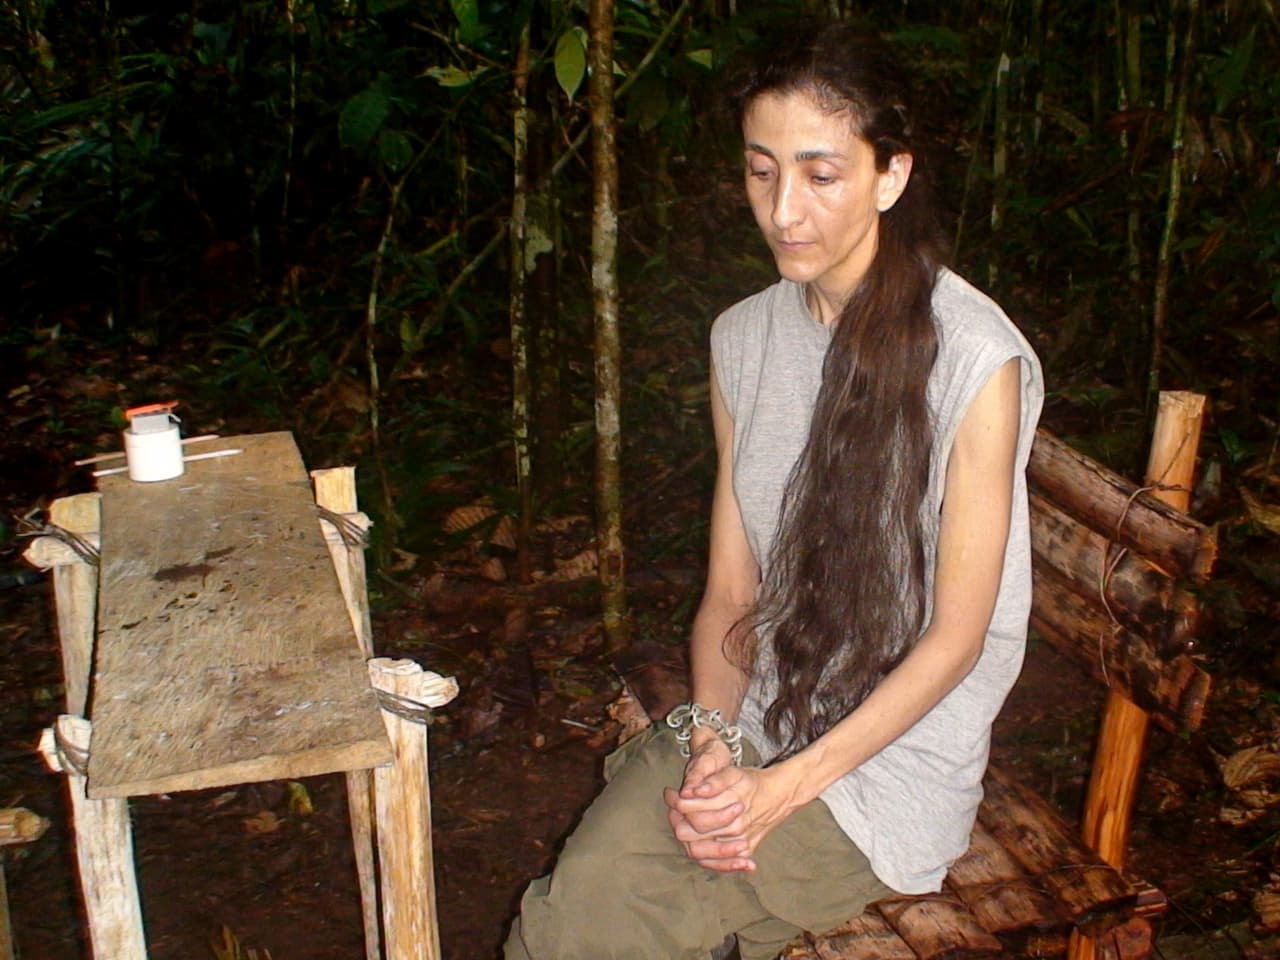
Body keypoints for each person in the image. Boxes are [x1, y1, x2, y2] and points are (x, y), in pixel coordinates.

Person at [504, 21, 1044, 960]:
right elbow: (732, 593)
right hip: (758, 721)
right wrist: (716, 741)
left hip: (886, 774)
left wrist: (780, 791)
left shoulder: (973, 359)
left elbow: (958, 638)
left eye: (821, 174)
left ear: (891, 175)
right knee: (567, 904)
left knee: (601, 933)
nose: (784, 210)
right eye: (761, 171)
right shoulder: (742, 341)